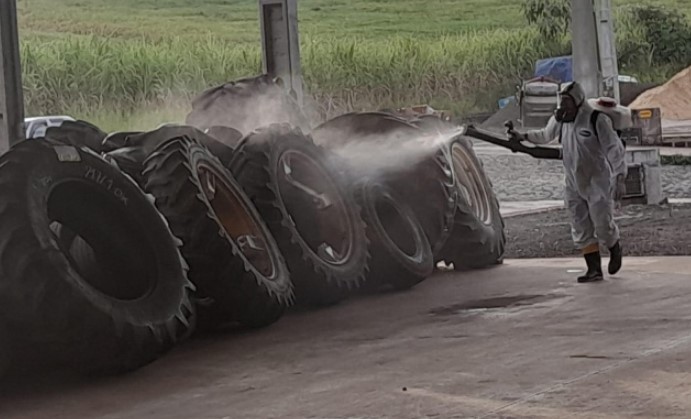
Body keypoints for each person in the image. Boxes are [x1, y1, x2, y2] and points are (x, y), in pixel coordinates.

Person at [508, 81, 627, 283]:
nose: (563, 108)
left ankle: (614, 247)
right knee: (580, 225)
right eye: (561, 103)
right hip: (573, 182)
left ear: (578, 103)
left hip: (597, 182)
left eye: (567, 104)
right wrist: (522, 136)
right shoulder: (561, 120)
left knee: (602, 225)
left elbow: (614, 149)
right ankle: (594, 269)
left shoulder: (596, 120)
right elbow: (545, 135)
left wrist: (620, 177)